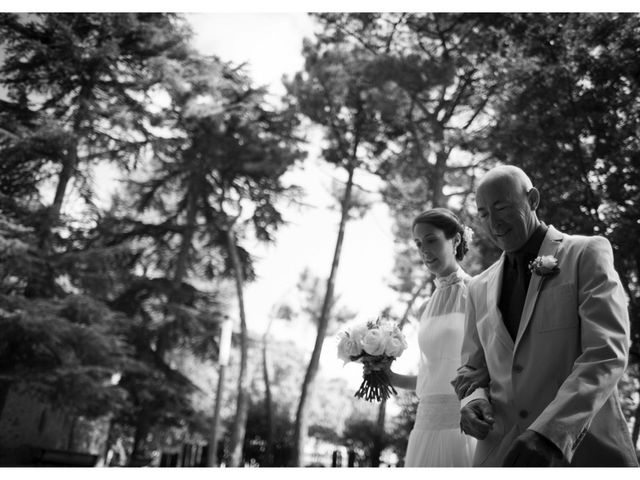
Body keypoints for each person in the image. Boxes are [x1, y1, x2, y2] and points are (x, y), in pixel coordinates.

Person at [451, 165, 638, 467]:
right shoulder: (476, 288)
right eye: (484, 213)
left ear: (533, 199)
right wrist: (472, 402)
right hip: (500, 455)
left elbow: (605, 354)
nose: (494, 222)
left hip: (582, 454)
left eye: (502, 207)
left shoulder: (586, 253)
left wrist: (552, 432)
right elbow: (471, 370)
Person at [379, 208, 480, 467]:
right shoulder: (425, 308)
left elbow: (488, 364)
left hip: (462, 424)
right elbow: (430, 377)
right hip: (424, 424)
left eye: (432, 240)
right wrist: (387, 376)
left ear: (455, 240)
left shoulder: (477, 292)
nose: (424, 251)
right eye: (418, 244)